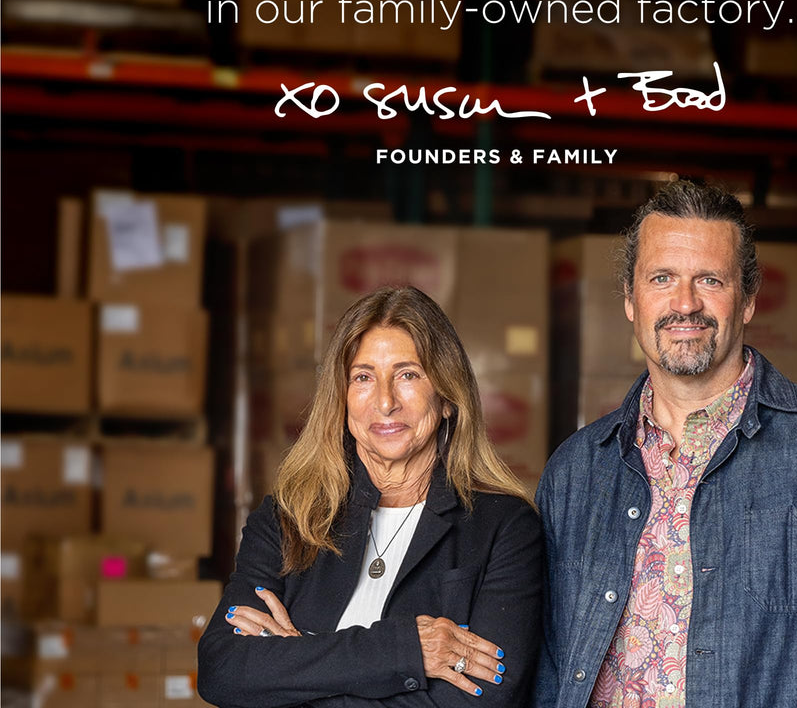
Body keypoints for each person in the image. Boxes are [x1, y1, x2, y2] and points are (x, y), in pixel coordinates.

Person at [534, 180, 797, 708]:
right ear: (630, 299)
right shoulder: (575, 471)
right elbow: (550, 669)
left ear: (749, 300)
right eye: (662, 278)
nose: (685, 303)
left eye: (710, 280)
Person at [198, 286, 542, 708]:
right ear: (341, 399)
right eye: (363, 377)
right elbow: (223, 671)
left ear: (448, 398)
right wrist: (403, 651)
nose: (384, 402)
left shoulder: (505, 527)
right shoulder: (288, 518)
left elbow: (483, 699)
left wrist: (298, 658)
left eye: (408, 374)